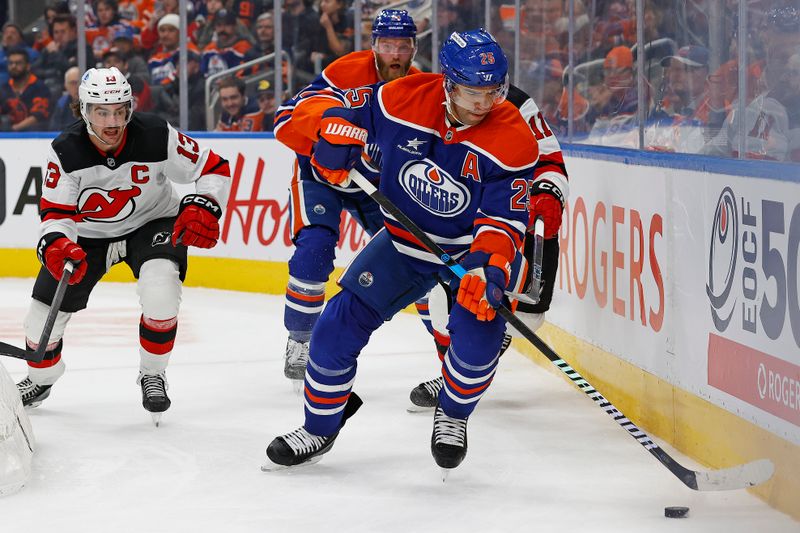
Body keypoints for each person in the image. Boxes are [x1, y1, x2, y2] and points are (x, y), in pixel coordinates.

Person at [265, 29, 539, 473]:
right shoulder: (402, 97)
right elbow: (303, 111)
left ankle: (452, 415)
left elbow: (506, 221)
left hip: (470, 256)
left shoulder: (513, 137)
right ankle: (319, 428)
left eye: (493, 92)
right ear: (448, 82)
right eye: (472, 91)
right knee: (335, 326)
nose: (483, 103)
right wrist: (328, 128)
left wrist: (490, 268)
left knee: (478, 344)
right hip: (403, 243)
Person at [14, 66, 231, 425]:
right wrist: (56, 246)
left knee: (161, 292)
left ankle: (153, 374)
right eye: (101, 112)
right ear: (84, 111)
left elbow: (213, 166)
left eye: (119, 110)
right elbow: (55, 213)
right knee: (40, 322)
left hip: (152, 223)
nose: (112, 122)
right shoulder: (66, 150)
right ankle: (41, 378)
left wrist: (204, 203)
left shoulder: (157, 134)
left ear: (130, 107)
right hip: (88, 237)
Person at [273, 9, 420, 385]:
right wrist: (328, 123)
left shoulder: (421, 90)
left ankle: (447, 346)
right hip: (320, 175)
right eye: (387, 44)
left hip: (375, 187)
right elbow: (286, 117)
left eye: (403, 45)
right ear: (373, 46)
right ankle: (300, 340)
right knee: (314, 251)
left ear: (414, 48)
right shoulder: (345, 72)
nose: (395, 54)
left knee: (418, 257)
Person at [408, 82, 568, 411]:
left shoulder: (519, 105)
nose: (482, 98)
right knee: (438, 297)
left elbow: (550, 161)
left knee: (529, 318)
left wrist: (548, 192)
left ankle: (484, 349)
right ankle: (453, 373)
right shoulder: (432, 102)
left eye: (490, 85)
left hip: (511, 221)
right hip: (462, 223)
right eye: (472, 85)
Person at [0, 48, 51, 131]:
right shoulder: (3, 88)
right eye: (11, 63)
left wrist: (13, 129)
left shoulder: (40, 87)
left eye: (18, 63)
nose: (13, 66)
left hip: (34, 136)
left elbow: (38, 116)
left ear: (28, 66)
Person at [50, 65, 80, 131]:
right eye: (73, 83)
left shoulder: (94, 103)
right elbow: (55, 129)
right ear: (65, 86)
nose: (78, 86)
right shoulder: (61, 104)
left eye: (80, 82)